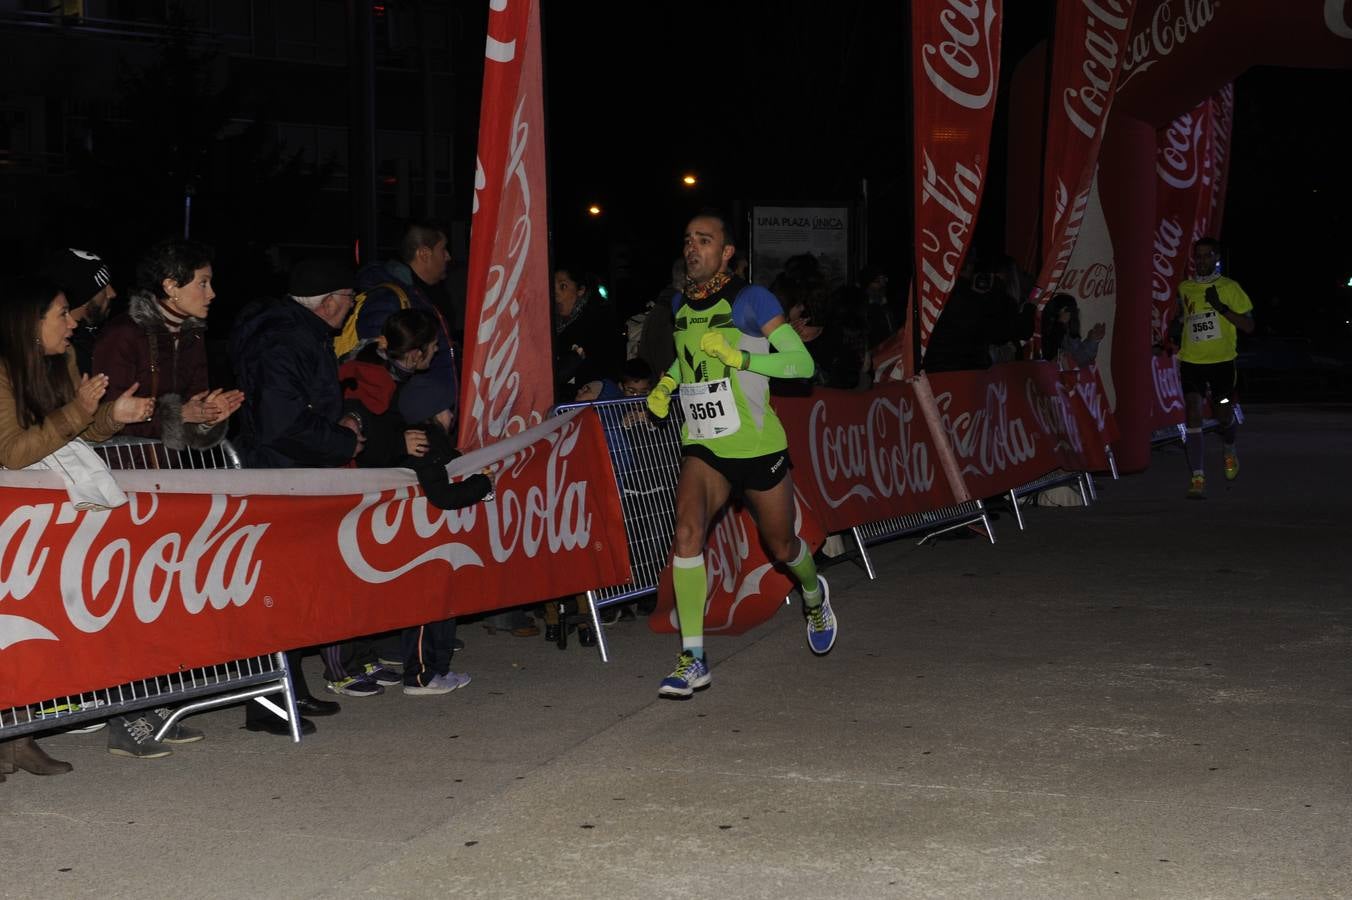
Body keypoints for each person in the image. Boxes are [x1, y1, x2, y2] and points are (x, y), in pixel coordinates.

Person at [644, 211, 837, 699]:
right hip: (704, 444)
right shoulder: (678, 303)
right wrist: (666, 385)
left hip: (756, 446)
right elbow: (687, 359)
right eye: (688, 239)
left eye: (704, 240)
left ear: (727, 251)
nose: (693, 248)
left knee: (782, 547)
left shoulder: (753, 300)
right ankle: (693, 657)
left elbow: (800, 363)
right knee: (687, 534)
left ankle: (813, 596)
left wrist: (742, 358)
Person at [0, 276, 156, 777]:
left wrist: (112, 415)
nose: (73, 323)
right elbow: (14, 453)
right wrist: (81, 410)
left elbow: (78, 428)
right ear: (29, 323)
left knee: (30, 622)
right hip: (13, 514)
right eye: (61, 314)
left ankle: (19, 735)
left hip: (39, 520)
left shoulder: (59, 361)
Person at [229, 258, 366, 733]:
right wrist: (343, 440)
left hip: (290, 475)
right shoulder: (285, 339)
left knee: (293, 593)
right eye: (349, 300)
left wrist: (340, 423)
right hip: (278, 478)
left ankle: (291, 686)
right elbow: (282, 421)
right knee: (275, 593)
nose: (351, 309)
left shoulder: (297, 333)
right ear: (328, 302)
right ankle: (267, 701)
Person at [339, 308, 492, 694]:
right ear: (415, 351)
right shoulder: (370, 377)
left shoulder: (406, 393)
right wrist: (478, 486)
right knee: (416, 601)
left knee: (422, 599)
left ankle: (404, 663)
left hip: (401, 515)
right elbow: (361, 434)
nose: (438, 351)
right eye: (433, 347)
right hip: (367, 502)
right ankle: (405, 671)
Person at [92, 239, 243, 454]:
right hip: (122, 469)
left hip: (168, 471)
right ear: (171, 287)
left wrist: (208, 416)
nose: (211, 294)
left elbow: (192, 409)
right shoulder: (124, 334)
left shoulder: (192, 336)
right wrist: (178, 414)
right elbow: (107, 416)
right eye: (203, 283)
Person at [353, 220, 460, 432]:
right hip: (418, 426)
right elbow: (379, 365)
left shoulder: (422, 293)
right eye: (443, 249)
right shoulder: (388, 297)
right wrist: (427, 409)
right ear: (424, 254)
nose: (448, 256)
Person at [1171, 237, 1254, 499]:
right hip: (1192, 362)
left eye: (1208, 256)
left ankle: (1229, 447)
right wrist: (1177, 325)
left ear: (1216, 258)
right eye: (1199, 256)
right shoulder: (1184, 288)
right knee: (1193, 412)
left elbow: (1249, 326)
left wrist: (1221, 308)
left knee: (1222, 413)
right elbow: (1184, 317)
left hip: (1222, 362)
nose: (1202, 260)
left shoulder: (1230, 287)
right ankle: (1198, 476)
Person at [553, 265, 622, 403]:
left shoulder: (599, 322)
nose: (555, 293)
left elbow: (606, 372)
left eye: (563, 286)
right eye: (552, 286)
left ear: (581, 290)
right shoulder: (552, 324)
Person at [44, 248, 117, 375]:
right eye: (103, 288)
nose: (112, 294)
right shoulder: (60, 350)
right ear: (83, 297)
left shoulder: (100, 334)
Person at [1040, 293, 1105, 368]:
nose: (1069, 314)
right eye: (1067, 310)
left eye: (1072, 311)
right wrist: (1059, 325)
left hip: (1064, 378)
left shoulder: (1069, 332)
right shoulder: (1043, 327)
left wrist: (1093, 341)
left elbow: (1079, 359)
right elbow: (1048, 354)